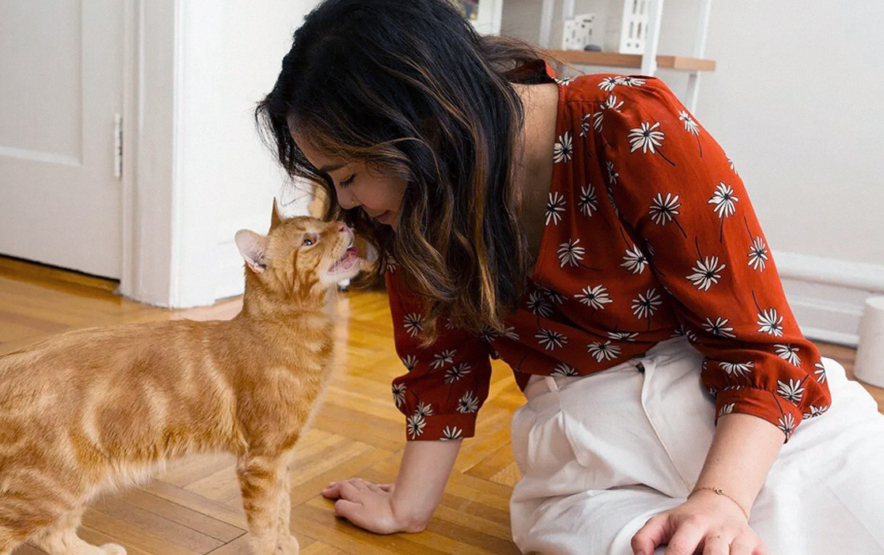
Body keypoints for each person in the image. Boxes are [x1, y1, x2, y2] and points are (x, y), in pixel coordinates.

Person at [257, 1, 884, 553]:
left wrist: (720, 497)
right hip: (589, 456)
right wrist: (406, 506)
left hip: (749, 426)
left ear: (420, 128)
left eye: (346, 176)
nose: (349, 208)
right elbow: (442, 370)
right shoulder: (417, 216)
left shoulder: (629, 127)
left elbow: (759, 346)